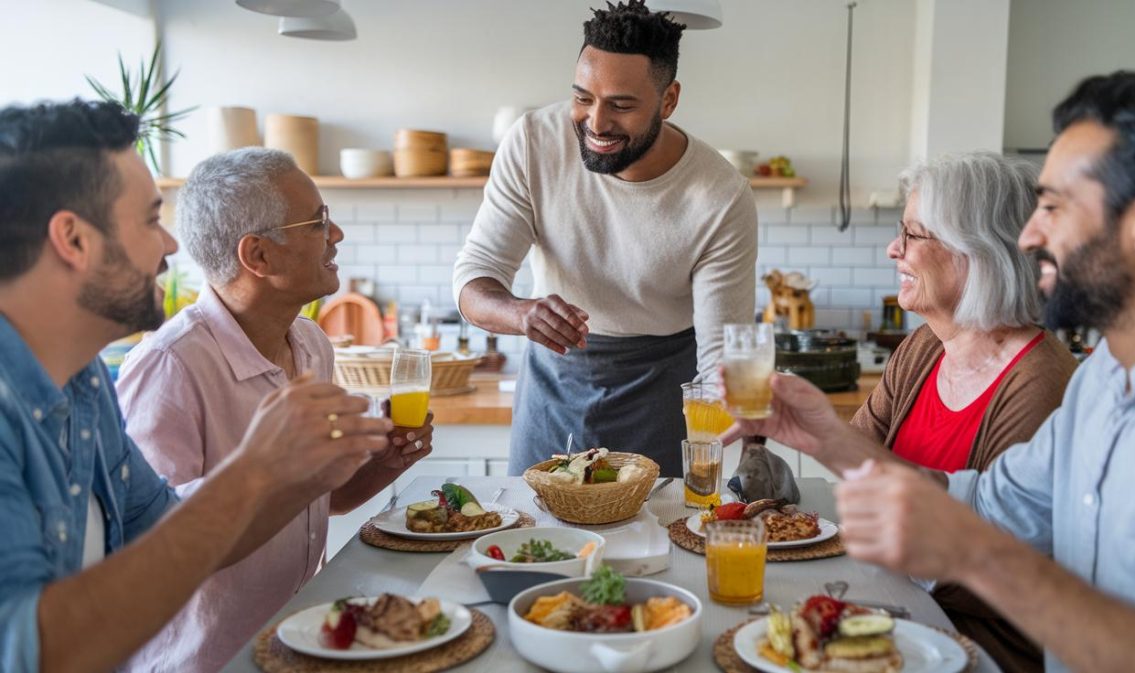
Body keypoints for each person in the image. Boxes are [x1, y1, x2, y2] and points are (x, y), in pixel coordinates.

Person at [725, 71, 1135, 672]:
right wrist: (826, 436)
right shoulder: (1103, 382)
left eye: (1054, 206)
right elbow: (991, 505)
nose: (1030, 234)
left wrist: (975, 555)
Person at [0, 99, 393, 673]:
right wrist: (257, 469)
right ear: (74, 239)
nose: (170, 245)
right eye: (148, 219)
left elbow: (168, 534)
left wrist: (299, 473)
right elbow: (28, 652)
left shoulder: (81, 384)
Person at [114, 148, 435, 672]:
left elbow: (318, 504)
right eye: (319, 223)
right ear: (258, 256)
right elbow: (155, 555)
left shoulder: (310, 343)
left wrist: (384, 462)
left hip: (299, 644)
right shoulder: (169, 367)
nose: (337, 236)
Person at [452, 0, 757, 477]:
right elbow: (475, 279)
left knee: (655, 545)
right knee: (535, 542)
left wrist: (746, 444)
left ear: (669, 100)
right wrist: (521, 313)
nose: (595, 123)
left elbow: (721, 360)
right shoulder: (534, 142)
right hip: (553, 386)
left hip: (660, 393)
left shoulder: (720, 196)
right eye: (582, 97)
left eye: (621, 105)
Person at [853, 152, 1077, 671]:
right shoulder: (923, 348)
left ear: (978, 253)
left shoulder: (1040, 382)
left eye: (913, 234)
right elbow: (853, 471)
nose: (894, 249)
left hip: (973, 645)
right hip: (893, 607)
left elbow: (994, 574)